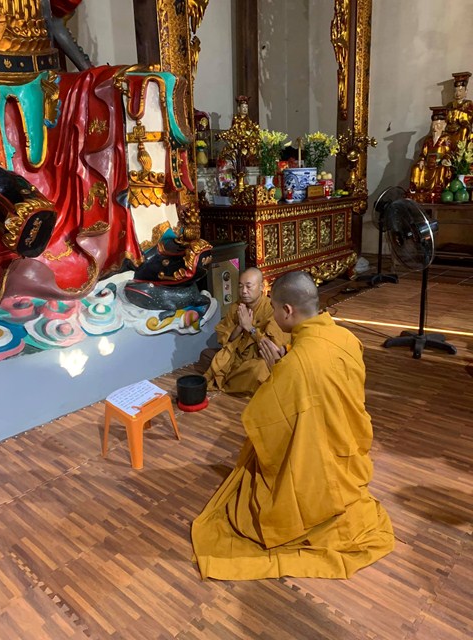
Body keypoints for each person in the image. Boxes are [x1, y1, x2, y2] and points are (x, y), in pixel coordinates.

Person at [192, 270, 395, 580]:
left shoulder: (296, 365)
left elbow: (265, 418)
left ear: (287, 310)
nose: (273, 313)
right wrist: (284, 364)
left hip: (315, 461)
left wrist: (279, 372)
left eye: (275, 308)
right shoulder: (346, 339)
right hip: (345, 447)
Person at [204, 267, 287, 396]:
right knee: (206, 355)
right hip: (236, 356)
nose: (243, 291)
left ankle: (231, 381)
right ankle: (234, 380)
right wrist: (240, 326)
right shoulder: (237, 307)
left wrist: (249, 327)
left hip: (258, 359)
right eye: (240, 286)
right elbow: (226, 338)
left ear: (261, 287)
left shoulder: (271, 309)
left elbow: (273, 348)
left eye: (248, 286)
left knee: (259, 370)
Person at [409, 106, 453, 202]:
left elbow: (449, 152)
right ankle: (416, 189)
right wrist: (421, 160)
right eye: (433, 125)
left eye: (438, 125)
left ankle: (438, 189)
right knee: (416, 168)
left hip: (439, 163)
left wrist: (445, 159)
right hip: (427, 163)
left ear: (444, 126)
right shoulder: (428, 140)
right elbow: (423, 153)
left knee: (442, 169)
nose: (435, 128)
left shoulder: (446, 138)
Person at [445, 71, 473, 146]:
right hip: (450, 128)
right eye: (455, 91)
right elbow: (446, 118)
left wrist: (457, 113)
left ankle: (461, 149)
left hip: (462, 127)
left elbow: (469, 118)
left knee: (464, 130)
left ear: (466, 92)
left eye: (460, 91)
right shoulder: (450, 105)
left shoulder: (468, 103)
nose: (458, 93)